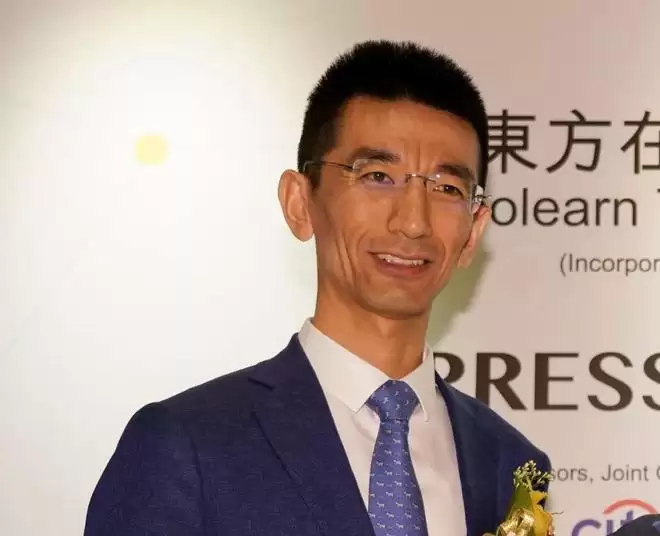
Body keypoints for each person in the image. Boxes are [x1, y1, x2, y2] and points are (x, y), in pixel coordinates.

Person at [84, 40, 551, 536]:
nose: (413, 221)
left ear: (473, 232)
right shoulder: (188, 445)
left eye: (446, 188)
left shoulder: (510, 464)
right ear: (299, 203)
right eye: (378, 176)